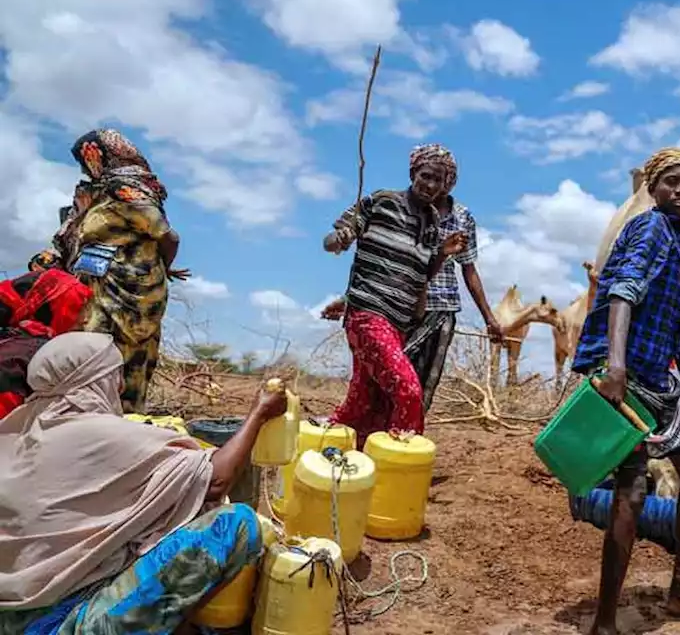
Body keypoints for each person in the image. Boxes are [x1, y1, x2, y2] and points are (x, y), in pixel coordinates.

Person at [0, 331, 288, 632]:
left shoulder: (15, 430)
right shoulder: (96, 433)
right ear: (95, 380)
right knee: (235, 524)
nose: (122, 385)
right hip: (61, 624)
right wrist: (259, 413)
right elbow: (216, 480)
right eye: (114, 375)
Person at [571, 147, 680, 634]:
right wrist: (616, 367)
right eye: (671, 182)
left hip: (661, 381)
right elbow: (621, 292)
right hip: (630, 378)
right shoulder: (649, 228)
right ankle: (604, 622)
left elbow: (677, 329)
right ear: (652, 187)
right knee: (632, 494)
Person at [320, 143, 503, 414]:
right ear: (414, 173)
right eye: (427, 175)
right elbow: (385, 268)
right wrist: (349, 300)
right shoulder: (391, 207)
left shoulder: (459, 219)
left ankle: (403, 438)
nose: (436, 184)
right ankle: (377, 436)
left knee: (419, 386)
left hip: (439, 308)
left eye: (443, 179)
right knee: (386, 380)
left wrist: (489, 317)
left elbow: (468, 269)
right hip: (397, 312)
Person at [66, 129, 189, 414]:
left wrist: (165, 268)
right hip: (102, 285)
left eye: (86, 161)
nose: (85, 169)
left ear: (98, 156)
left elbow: (168, 236)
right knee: (96, 356)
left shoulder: (124, 189)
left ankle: (116, 427)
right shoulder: (104, 190)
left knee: (113, 357)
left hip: (127, 290)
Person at [0, 264, 93, 420]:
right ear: (52, 310)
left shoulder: (15, 343)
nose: (85, 319)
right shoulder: (27, 357)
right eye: (76, 309)